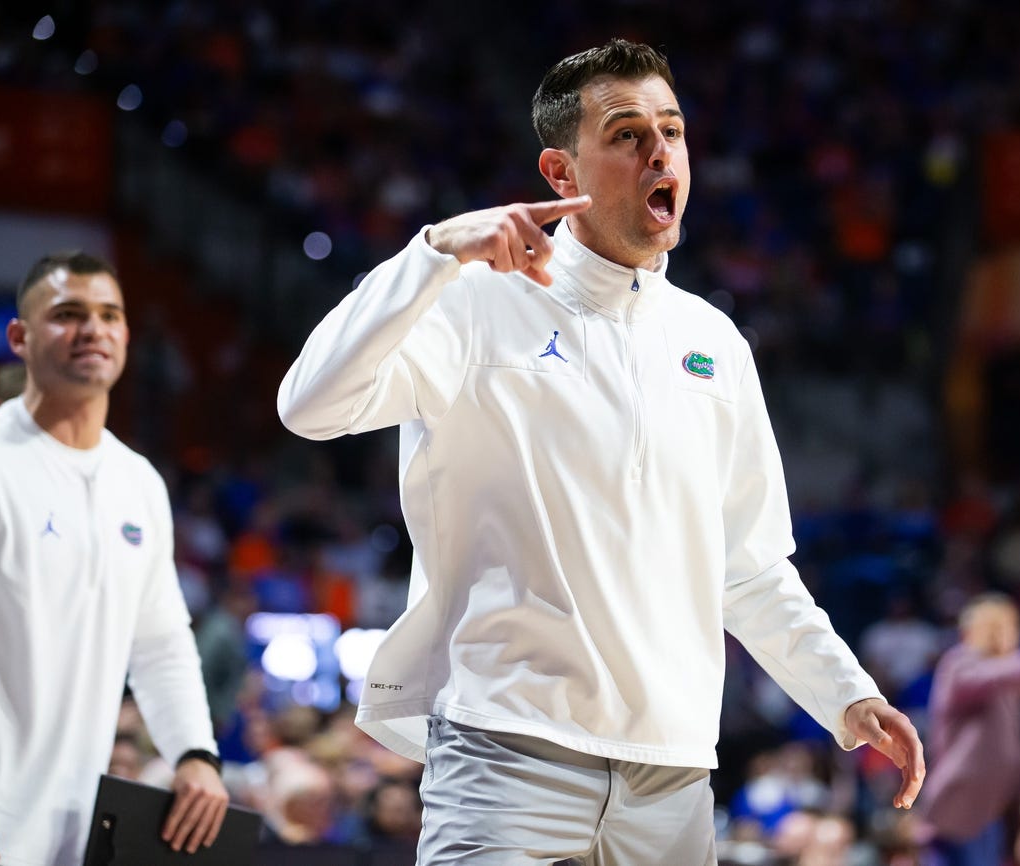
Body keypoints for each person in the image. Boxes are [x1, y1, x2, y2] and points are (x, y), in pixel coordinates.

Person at [277, 39, 924, 865]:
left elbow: (751, 568)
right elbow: (309, 405)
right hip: (506, 751)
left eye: (674, 131)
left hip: (675, 776)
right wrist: (432, 253)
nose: (660, 151)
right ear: (559, 172)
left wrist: (846, 694)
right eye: (626, 134)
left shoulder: (714, 342)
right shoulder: (474, 300)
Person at [0, 252, 230, 865]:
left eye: (109, 314)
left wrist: (195, 755)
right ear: (19, 338)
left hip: (75, 826)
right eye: (68, 314)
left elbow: (160, 643)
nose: (93, 329)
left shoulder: (139, 482)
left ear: (126, 335)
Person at [917, 593, 1020, 866]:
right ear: (976, 630)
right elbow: (988, 676)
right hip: (963, 807)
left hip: (995, 807)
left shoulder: (1008, 677)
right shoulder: (960, 662)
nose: (1009, 635)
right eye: (999, 627)